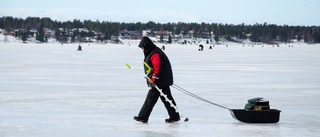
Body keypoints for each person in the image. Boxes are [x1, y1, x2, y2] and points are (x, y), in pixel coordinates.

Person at [134, 37, 180, 123]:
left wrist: (153, 80)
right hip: (163, 79)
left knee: (151, 98)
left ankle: (143, 116)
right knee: (166, 98)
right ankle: (174, 116)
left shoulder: (155, 54)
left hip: (159, 80)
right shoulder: (153, 51)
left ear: (147, 46)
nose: (142, 50)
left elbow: (157, 68)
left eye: (143, 47)